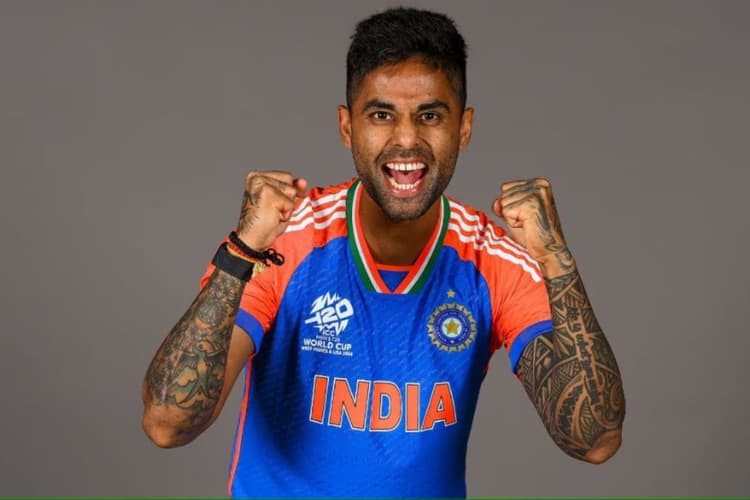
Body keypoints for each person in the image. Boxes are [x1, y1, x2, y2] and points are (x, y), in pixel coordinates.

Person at [141, 7, 625, 498]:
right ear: (347, 127)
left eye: (430, 116)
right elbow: (167, 424)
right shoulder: (283, 243)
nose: (407, 140)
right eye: (381, 115)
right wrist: (242, 251)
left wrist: (557, 261)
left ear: (464, 128)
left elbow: (595, 440)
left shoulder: (493, 261)